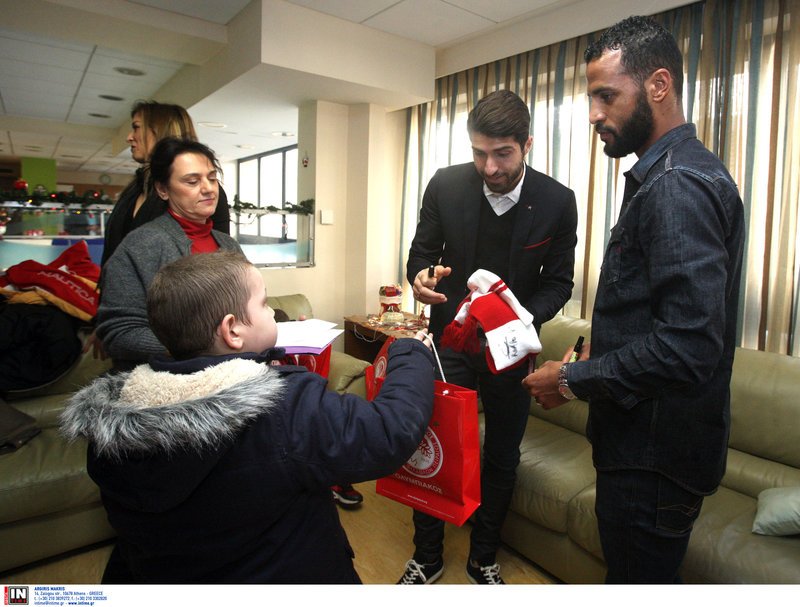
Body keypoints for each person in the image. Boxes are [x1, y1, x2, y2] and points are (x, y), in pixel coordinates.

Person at [522, 16, 745, 583]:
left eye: (606, 96)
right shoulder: (673, 174)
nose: (593, 114)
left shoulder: (677, 185)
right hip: (649, 450)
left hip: (652, 460)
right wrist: (599, 352)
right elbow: (659, 316)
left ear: (658, 85)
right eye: (591, 98)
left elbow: (688, 346)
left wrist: (571, 380)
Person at [61, 251, 436, 583]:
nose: (273, 312)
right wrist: (408, 353)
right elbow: (388, 431)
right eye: (264, 304)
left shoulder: (115, 426)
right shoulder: (282, 406)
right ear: (232, 330)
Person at [404, 89, 578, 584]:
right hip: (451, 340)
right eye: (479, 153)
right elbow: (421, 255)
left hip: (512, 349)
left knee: (502, 454)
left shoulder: (558, 201)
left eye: (502, 154)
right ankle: (427, 557)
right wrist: (420, 278)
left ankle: (483, 557)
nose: (490, 167)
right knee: (434, 443)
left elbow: (558, 283)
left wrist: (519, 318)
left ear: (527, 144)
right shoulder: (446, 184)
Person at [95, 137, 241, 372]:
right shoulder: (140, 246)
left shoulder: (228, 245)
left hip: (232, 371)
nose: (208, 188)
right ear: (163, 190)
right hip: (167, 378)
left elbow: (247, 313)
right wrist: (200, 348)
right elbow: (119, 333)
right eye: (192, 181)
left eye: (212, 178)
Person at [102, 100, 230, 266]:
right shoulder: (136, 188)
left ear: (159, 130)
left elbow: (219, 262)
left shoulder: (206, 195)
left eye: (136, 127)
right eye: (192, 181)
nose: (129, 137)